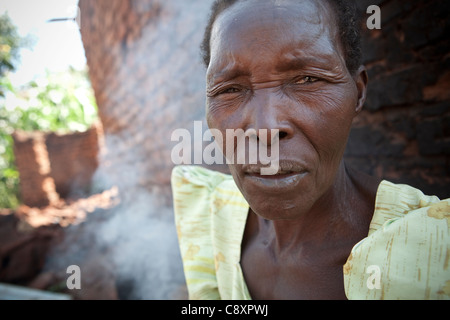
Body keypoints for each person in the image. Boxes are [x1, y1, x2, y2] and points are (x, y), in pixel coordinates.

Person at [171, 0, 450, 300]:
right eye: (230, 89)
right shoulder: (213, 221)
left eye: (306, 79)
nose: (265, 127)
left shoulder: (433, 255)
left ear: (357, 92)